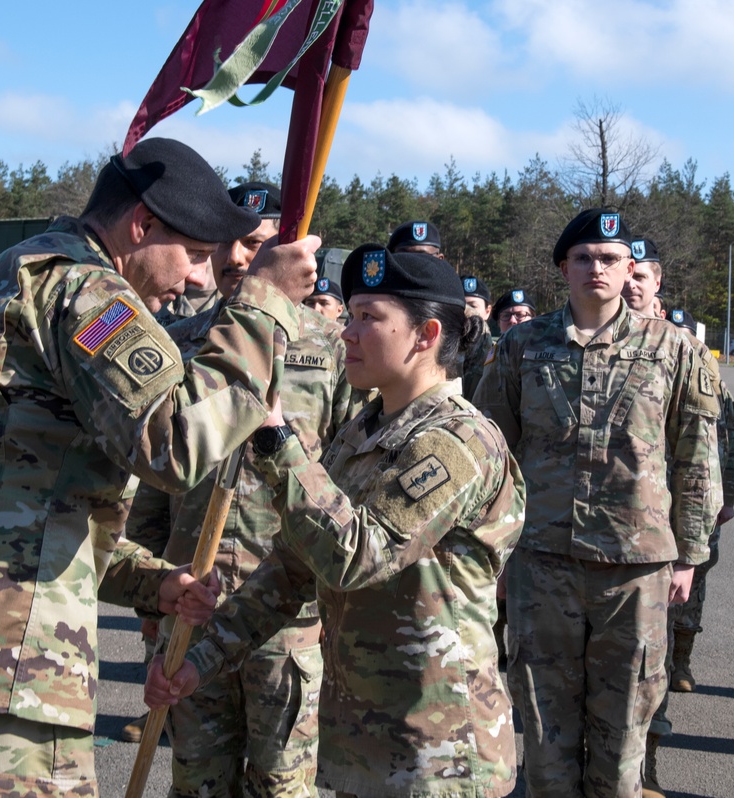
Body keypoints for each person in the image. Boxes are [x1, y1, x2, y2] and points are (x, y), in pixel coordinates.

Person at [0, 137, 320, 797]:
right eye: (191, 255)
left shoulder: (1, 279)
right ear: (141, 225)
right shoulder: (82, 288)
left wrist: (147, 581)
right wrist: (265, 303)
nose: (195, 278)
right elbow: (176, 441)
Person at [148, 244, 526, 797]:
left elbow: (359, 556)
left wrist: (279, 441)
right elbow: (291, 571)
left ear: (427, 335)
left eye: (370, 319)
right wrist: (197, 664)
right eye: (349, 316)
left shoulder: (457, 440)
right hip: (364, 745)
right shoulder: (363, 432)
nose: (347, 332)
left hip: (439, 754)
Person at [473, 208, 722, 798]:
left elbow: (694, 457)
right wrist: (491, 550)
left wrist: (689, 554)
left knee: (623, 734)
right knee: (542, 729)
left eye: (610, 258)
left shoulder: (673, 349)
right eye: (583, 257)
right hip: (541, 561)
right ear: (563, 267)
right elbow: (489, 453)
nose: (596, 268)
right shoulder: (522, 345)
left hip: (635, 570)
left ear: (629, 267)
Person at [127, 182, 351, 796]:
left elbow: (345, 480)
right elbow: (151, 487)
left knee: (281, 783)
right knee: (197, 780)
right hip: (193, 605)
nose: (237, 261)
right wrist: (153, 600)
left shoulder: (333, 350)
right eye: (229, 245)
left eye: (256, 246)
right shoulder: (178, 342)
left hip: (285, 611)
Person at [639, 307, 734, 798]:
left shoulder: (703, 375)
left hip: (688, 515)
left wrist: (726, 497)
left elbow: (726, 443)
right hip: (633, 532)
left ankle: (649, 762)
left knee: (676, 620)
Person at [460, 275, 495, 400]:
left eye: (472, 306)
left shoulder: (498, 355)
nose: (466, 311)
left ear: (487, 311)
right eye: (460, 304)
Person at [622, 237, 661, 316]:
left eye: (639, 277)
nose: (630, 285)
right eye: (625, 276)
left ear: (657, 283)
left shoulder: (668, 328)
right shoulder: (598, 327)